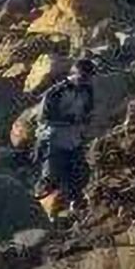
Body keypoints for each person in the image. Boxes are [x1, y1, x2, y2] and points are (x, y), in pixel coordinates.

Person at [34, 58, 97, 216]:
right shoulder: (56, 92)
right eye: (82, 78)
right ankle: (38, 210)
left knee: (78, 174)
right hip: (53, 138)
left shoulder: (87, 91)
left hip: (73, 139)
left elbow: (87, 112)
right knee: (50, 177)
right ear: (73, 74)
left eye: (88, 78)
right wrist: (69, 119)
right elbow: (44, 117)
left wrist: (84, 124)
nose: (84, 81)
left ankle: (73, 208)